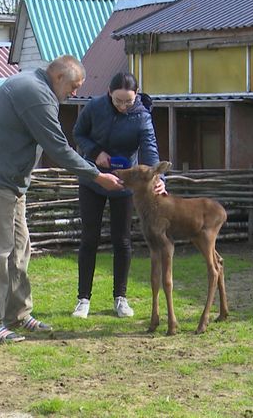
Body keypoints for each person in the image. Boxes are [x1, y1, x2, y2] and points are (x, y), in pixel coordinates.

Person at [0, 55, 123, 344]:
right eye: (74, 86)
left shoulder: (28, 83)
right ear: (58, 76)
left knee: (19, 250)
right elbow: (59, 149)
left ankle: (18, 314)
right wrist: (97, 176)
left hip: (11, 182)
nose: (74, 93)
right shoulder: (36, 94)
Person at [71, 72, 166, 319]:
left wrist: (159, 179)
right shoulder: (94, 107)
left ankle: (120, 299)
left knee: (122, 240)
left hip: (125, 184)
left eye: (128, 101)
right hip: (92, 179)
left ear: (136, 96)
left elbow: (150, 149)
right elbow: (78, 133)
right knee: (89, 238)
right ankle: (83, 299)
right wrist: (95, 152)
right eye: (118, 101)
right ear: (109, 93)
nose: (124, 106)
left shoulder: (142, 116)